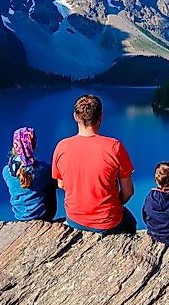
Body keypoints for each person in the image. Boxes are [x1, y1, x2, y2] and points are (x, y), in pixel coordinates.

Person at [52, 94, 137, 234]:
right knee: (130, 222)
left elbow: (61, 184)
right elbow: (128, 192)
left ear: (75, 117)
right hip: (108, 221)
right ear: (101, 117)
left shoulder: (62, 147)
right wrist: (114, 205)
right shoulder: (114, 147)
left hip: (74, 219)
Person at [2, 127, 57, 221]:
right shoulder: (42, 169)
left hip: (20, 216)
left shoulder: (6, 171)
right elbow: (58, 180)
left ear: (15, 146)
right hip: (43, 216)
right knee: (50, 184)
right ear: (34, 145)